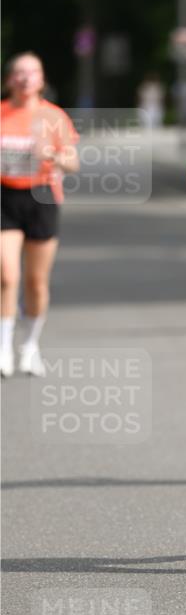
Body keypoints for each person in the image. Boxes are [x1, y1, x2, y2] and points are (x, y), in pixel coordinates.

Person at [1, 53, 79, 377]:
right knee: (6, 276)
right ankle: (3, 346)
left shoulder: (54, 116)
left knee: (35, 281)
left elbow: (73, 163)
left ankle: (30, 346)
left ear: (41, 80)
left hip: (42, 196)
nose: (25, 78)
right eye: (19, 72)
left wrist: (52, 155)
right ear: (9, 80)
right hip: (4, 195)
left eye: (32, 72)